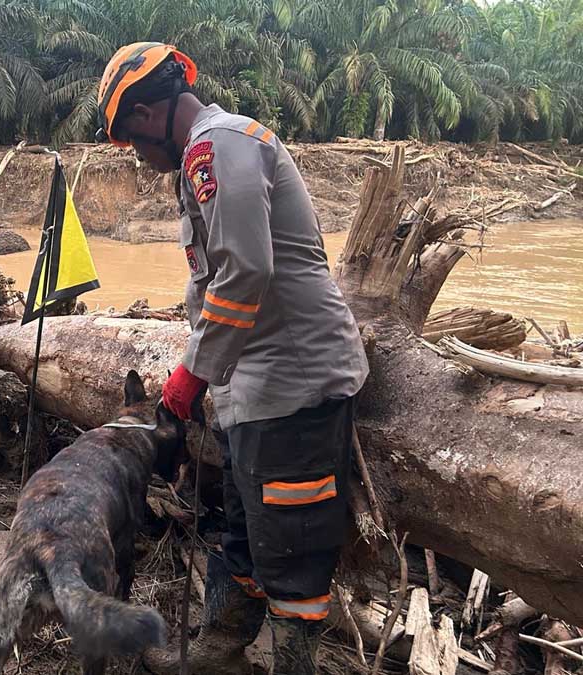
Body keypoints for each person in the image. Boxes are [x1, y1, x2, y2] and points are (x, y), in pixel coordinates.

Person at [95, 42, 370, 675]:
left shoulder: (219, 145)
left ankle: (287, 661)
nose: (137, 156)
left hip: (294, 383)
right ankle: (225, 646)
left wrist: (191, 375)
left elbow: (245, 273)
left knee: (292, 550)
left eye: (130, 141)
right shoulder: (208, 151)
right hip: (254, 383)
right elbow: (216, 278)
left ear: (143, 114)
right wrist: (206, 370)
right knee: (246, 527)